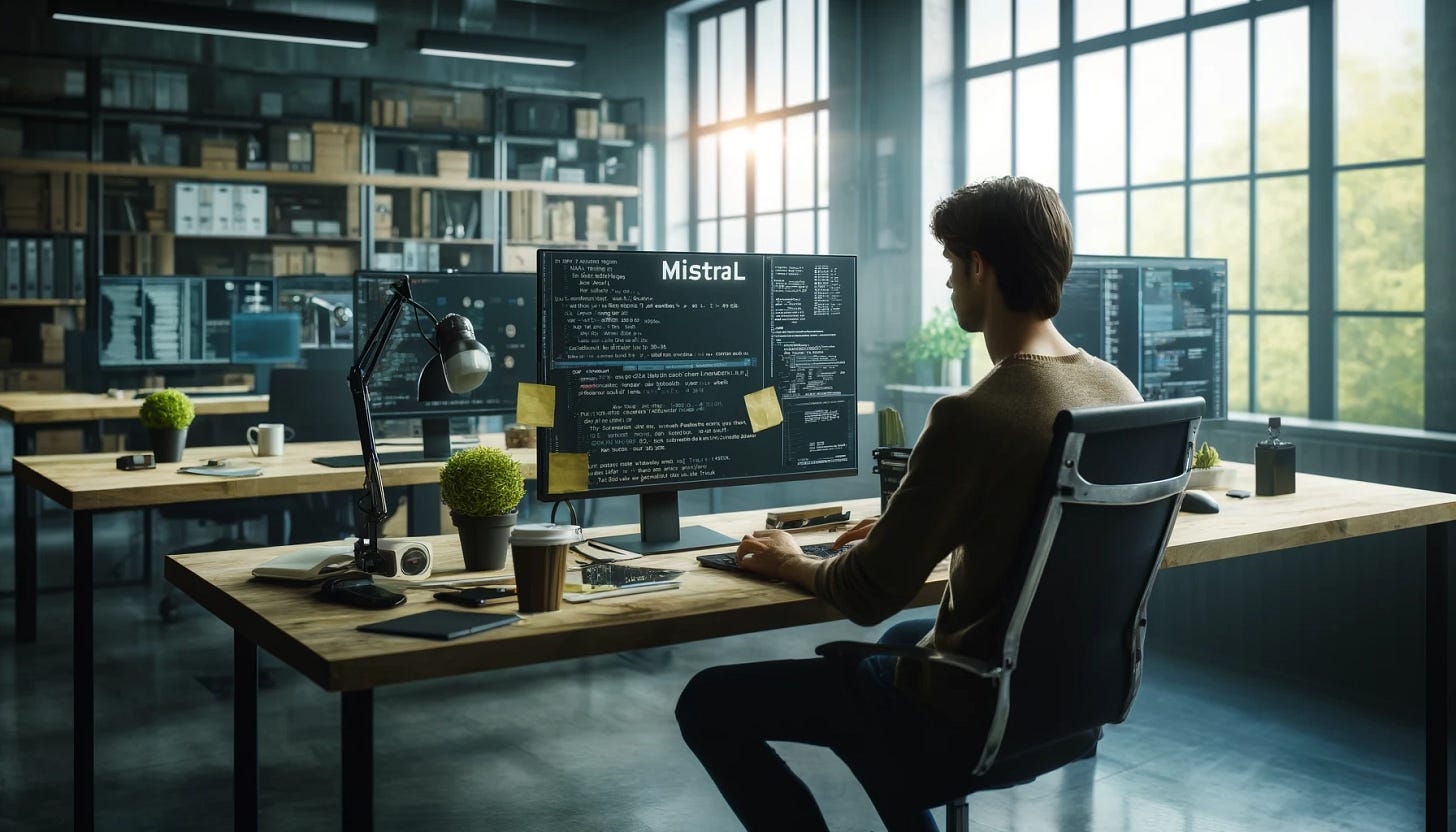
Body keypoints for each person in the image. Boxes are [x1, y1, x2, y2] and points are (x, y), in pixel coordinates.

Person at [674, 176, 1143, 832]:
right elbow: (1036, 530)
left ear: (978, 266)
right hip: (1071, 702)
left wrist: (785, 560)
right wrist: (918, 526)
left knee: (709, 701)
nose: (948, 283)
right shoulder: (1118, 391)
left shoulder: (975, 415)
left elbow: (866, 595)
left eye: (951, 264)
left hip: (970, 715)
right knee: (899, 646)